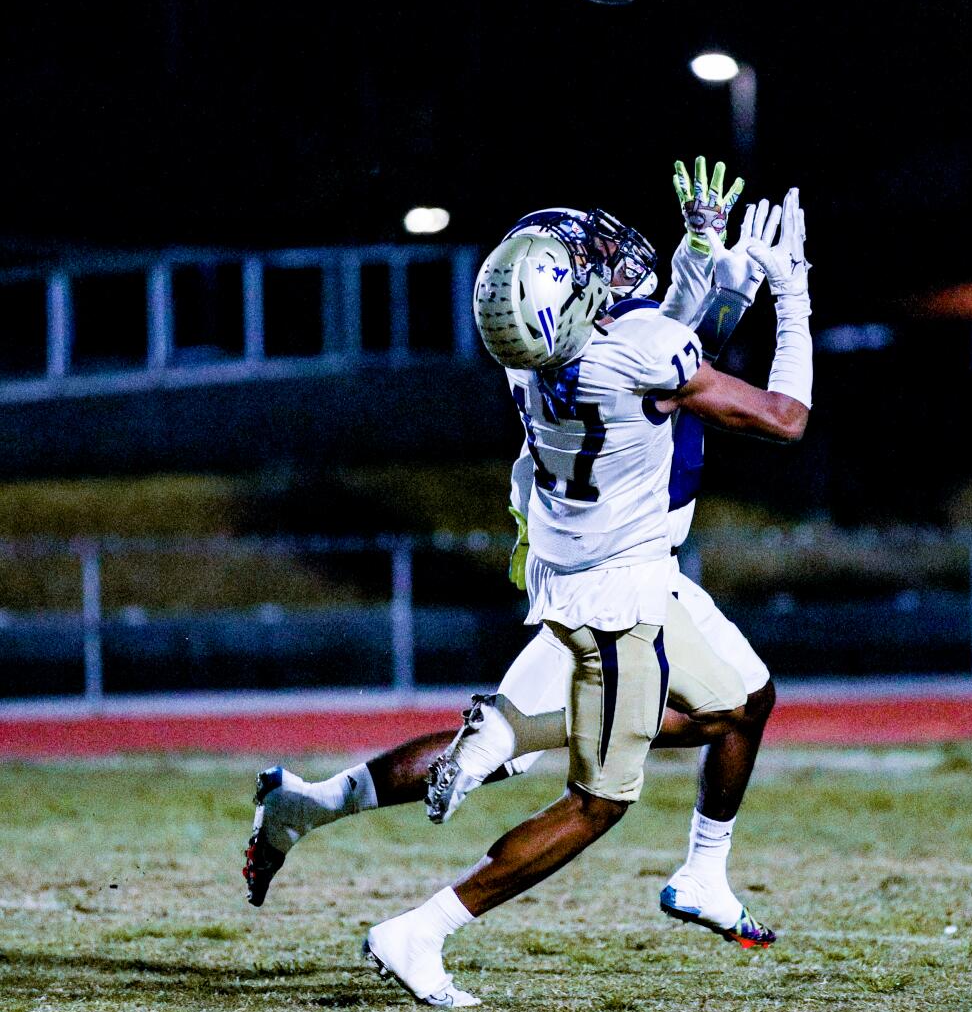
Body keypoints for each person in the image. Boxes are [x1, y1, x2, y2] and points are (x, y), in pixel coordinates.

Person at [244, 162, 796, 958]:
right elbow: (685, 361)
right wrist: (727, 273)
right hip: (614, 576)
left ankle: (318, 801)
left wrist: (711, 268)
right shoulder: (625, 352)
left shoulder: (540, 352)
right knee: (549, 759)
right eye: (585, 263)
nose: (604, 264)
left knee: (732, 705)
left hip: (604, 562)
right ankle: (413, 881)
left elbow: (671, 346)